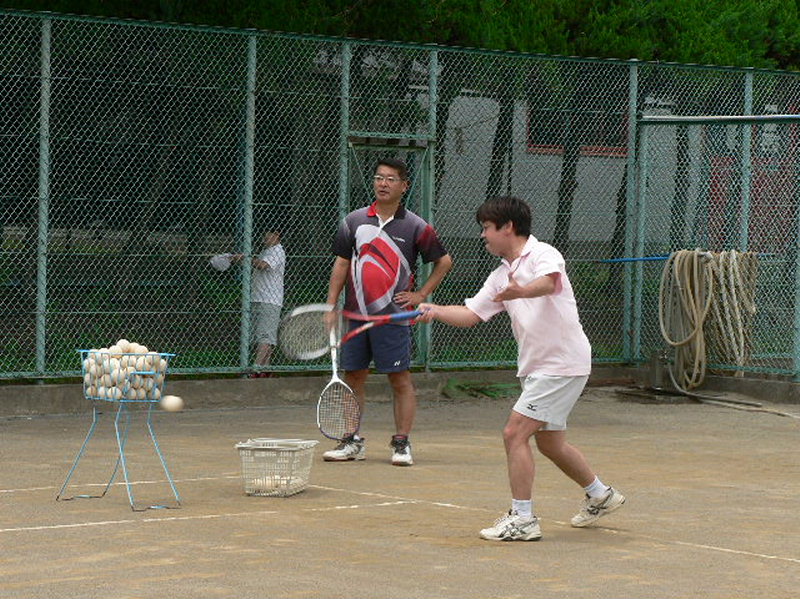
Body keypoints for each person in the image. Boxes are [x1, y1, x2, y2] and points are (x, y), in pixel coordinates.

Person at [417, 196, 625, 541]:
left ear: (508, 227)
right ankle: (600, 495)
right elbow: (471, 315)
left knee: (514, 433)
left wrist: (521, 291)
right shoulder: (500, 275)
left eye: (487, 227)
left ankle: (523, 519)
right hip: (541, 366)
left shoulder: (543, 253)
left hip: (560, 363)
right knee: (551, 443)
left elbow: (549, 283)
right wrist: (434, 310)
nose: (483, 235)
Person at [323, 158, 452, 466]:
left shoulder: (416, 226)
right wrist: (331, 305)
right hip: (356, 316)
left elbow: (444, 261)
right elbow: (341, 263)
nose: (383, 183)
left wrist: (421, 295)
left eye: (391, 179)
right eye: (379, 177)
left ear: (404, 186)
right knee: (354, 377)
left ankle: (401, 443)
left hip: (393, 318)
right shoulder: (354, 221)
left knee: (399, 378)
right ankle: (351, 441)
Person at [232, 230, 286, 376]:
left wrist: (246, 258)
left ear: (276, 235)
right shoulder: (266, 251)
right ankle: (265, 370)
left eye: (268, 235)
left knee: (265, 337)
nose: (264, 238)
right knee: (261, 337)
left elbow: (263, 265)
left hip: (270, 300)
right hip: (258, 298)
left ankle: (255, 369)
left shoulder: (278, 251)